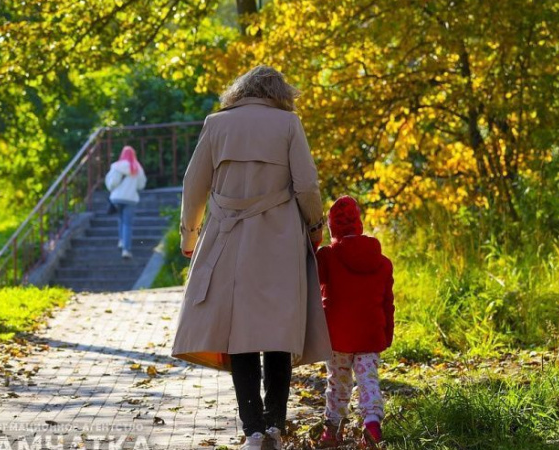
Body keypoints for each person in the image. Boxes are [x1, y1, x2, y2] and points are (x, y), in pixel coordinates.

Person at [172, 65, 332, 450]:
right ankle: (275, 426)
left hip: (227, 238)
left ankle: (253, 431)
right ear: (280, 92)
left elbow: (194, 185)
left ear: (240, 91)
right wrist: (315, 228)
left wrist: (189, 235)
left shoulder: (216, 124)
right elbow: (306, 186)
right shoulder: (288, 124)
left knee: (238, 335)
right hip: (279, 240)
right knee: (278, 334)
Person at [315, 196, 395, 449]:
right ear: (359, 225)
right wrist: (387, 334)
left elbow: (311, 284)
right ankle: (372, 425)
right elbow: (388, 304)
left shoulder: (327, 256)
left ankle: (332, 431)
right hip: (370, 335)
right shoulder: (382, 262)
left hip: (337, 336)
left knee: (338, 383)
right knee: (368, 380)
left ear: (333, 229)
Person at [105, 146, 147, 259]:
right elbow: (141, 185)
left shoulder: (117, 166)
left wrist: (112, 189)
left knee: (120, 219)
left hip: (117, 198)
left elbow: (112, 183)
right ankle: (126, 250)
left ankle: (121, 240)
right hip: (131, 199)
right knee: (127, 223)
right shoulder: (137, 168)